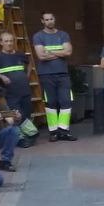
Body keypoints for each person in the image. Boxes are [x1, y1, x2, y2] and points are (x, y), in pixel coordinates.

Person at [32, 12, 75, 141]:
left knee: (66, 102)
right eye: (47, 19)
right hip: (46, 75)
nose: (49, 21)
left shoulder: (63, 35)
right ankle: (54, 132)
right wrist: (60, 53)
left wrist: (50, 52)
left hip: (63, 74)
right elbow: (41, 56)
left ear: (54, 19)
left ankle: (64, 131)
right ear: (42, 21)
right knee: (50, 103)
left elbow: (68, 52)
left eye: (51, 19)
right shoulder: (38, 36)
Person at [0, 32, 34, 147]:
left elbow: (29, 63)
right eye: (6, 41)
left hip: (24, 90)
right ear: (1, 43)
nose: (9, 43)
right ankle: (19, 139)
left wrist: (27, 75)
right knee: (15, 115)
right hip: (10, 93)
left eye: (11, 41)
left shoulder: (20, 54)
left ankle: (29, 134)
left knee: (26, 114)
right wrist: (1, 76)